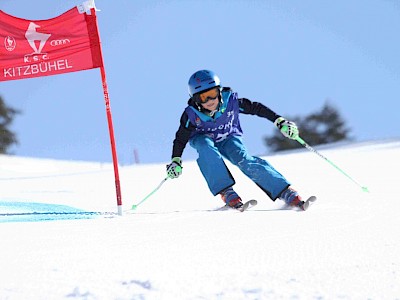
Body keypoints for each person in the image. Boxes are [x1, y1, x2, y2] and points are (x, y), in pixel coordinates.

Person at [166, 70, 310, 210]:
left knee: (244, 159)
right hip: (202, 138)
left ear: (219, 92)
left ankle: (285, 191)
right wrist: (176, 160)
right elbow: (180, 138)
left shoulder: (231, 102)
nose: (210, 101)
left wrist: (280, 121)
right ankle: (226, 192)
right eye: (204, 97)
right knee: (206, 148)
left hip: (228, 137)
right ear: (196, 99)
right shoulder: (191, 115)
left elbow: (257, 108)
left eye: (212, 94)